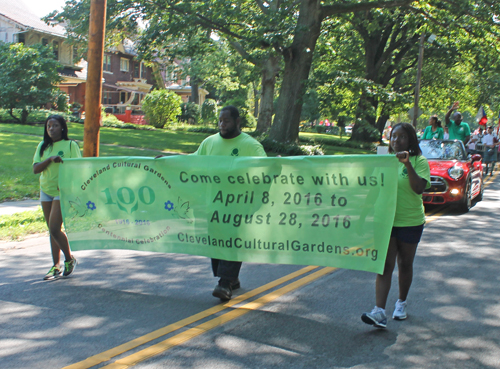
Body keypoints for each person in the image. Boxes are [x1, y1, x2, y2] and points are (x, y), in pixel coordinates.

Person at [193, 106, 267, 301]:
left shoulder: (250, 146)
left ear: (237, 122)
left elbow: (264, 170)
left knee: (231, 240)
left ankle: (224, 283)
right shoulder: (209, 143)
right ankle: (231, 279)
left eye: (226, 121)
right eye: (220, 120)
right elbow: (193, 162)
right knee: (216, 242)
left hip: (239, 205)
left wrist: (274, 167)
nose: (222, 124)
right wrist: (169, 160)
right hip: (214, 204)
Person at [361, 123, 430, 328]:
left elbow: (418, 188)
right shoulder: (384, 161)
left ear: (410, 140)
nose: (396, 141)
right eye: (393, 137)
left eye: (401, 137)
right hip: (385, 220)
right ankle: (379, 311)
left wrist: (408, 164)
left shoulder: (420, 161)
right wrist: (363, 214)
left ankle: (401, 303)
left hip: (409, 221)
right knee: (384, 265)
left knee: (405, 264)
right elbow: (374, 190)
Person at [33, 115, 81, 280]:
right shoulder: (42, 146)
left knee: (54, 228)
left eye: (54, 126)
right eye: (48, 126)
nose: (51, 129)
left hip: (62, 190)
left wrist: (71, 187)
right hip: (46, 189)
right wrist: (49, 159)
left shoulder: (70, 145)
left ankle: (69, 259)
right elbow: (35, 169)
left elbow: (78, 168)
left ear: (62, 127)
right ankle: (55, 266)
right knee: (52, 230)